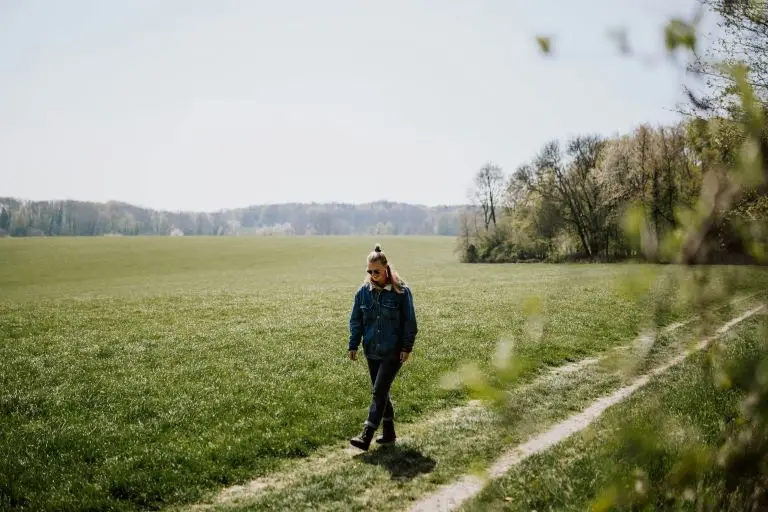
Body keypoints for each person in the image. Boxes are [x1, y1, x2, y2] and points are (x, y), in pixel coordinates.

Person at [347, 243, 418, 451]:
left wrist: (407, 347)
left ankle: (366, 435)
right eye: (369, 271)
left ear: (386, 269)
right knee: (381, 392)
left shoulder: (401, 292)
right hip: (372, 350)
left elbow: (410, 322)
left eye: (376, 271)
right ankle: (389, 433)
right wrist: (354, 344)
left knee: (379, 391)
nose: (372, 275)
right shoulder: (363, 292)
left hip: (393, 352)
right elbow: (356, 320)